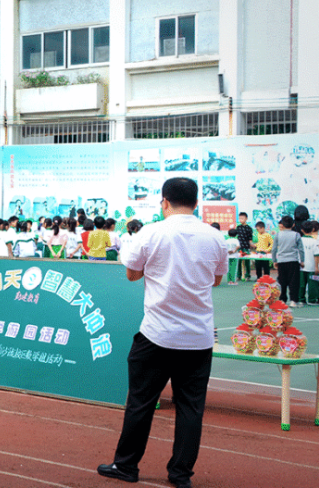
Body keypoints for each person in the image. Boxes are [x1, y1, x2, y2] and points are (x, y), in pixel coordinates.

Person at [97, 177, 227, 488]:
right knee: (191, 408)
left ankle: (126, 466)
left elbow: (132, 275)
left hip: (157, 335)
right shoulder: (214, 237)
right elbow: (217, 281)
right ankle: (180, 475)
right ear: (196, 203)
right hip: (198, 337)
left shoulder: (151, 232)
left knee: (141, 402)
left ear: (164, 202)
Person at [271, 215, 304, 307]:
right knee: (294, 281)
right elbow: (301, 249)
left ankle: (282, 299)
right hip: (293, 260)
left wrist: (274, 260)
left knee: (282, 281)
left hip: (281, 260)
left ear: (282, 224)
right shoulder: (296, 235)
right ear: (293, 224)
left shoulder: (278, 234)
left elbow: (274, 249)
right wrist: (302, 260)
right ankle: (294, 300)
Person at [300, 221, 319, 305]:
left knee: (301, 284)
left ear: (302, 230)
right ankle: (312, 299)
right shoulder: (314, 242)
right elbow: (316, 255)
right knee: (313, 284)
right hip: (311, 266)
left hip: (301, 266)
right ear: (312, 229)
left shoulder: (299, 240)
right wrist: (316, 267)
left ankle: (301, 299)